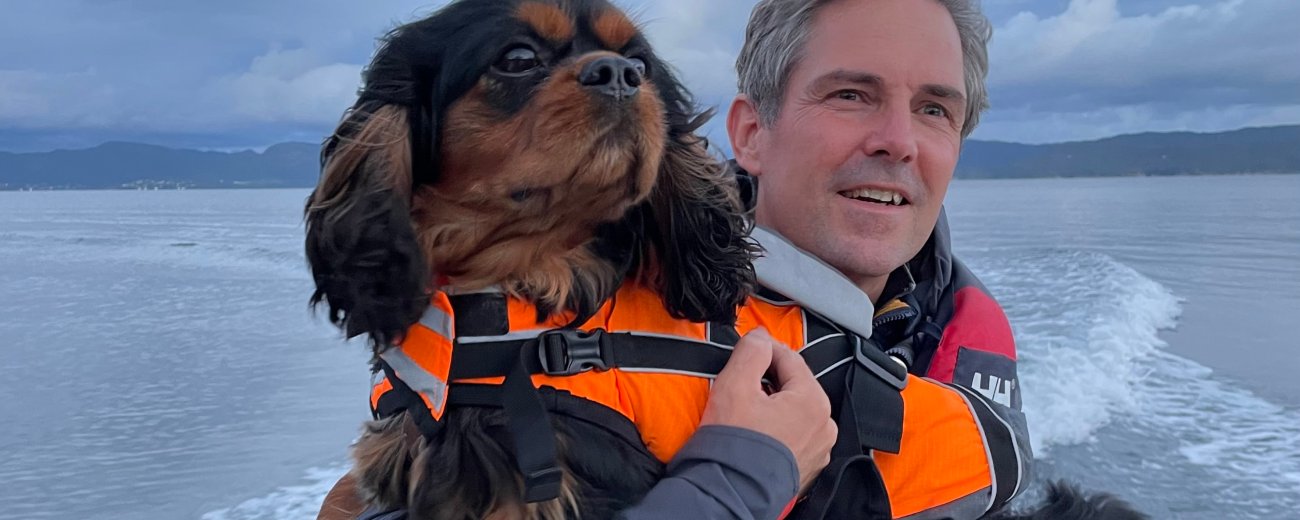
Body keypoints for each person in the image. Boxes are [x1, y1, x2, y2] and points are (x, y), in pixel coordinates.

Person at [321, 0, 1029, 518]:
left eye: (935, 109)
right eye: (850, 95)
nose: (897, 141)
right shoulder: (504, 331)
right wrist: (741, 476)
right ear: (750, 133)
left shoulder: (960, 333)